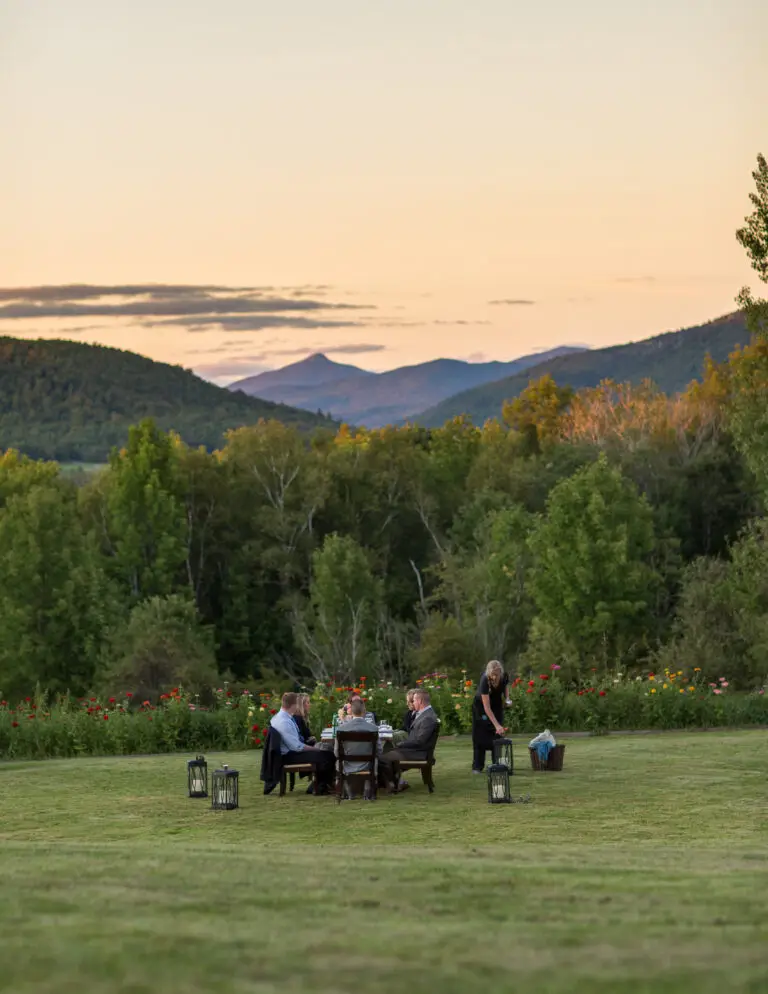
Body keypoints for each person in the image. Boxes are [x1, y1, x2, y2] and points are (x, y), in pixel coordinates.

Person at [269, 692, 335, 793]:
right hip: (288, 756)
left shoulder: (280, 717)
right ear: (293, 705)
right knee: (327, 755)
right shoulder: (284, 721)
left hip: (288, 752)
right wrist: (315, 749)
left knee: (325, 753)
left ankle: (320, 784)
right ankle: (318, 787)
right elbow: (297, 747)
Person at [378, 689, 438, 793]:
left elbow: (420, 741)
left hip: (417, 753)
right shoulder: (425, 714)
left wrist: (401, 744)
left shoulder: (428, 717)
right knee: (385, 755)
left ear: (420, 701)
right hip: (414, 751)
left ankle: (392, 784)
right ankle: (393, 783)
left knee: (382, 758)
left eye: (414, 700)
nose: (412, 703)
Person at [334, 697, 380, 798]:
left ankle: (348, 791)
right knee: (375, 759)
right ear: (364, 711)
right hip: (368, 765)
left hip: (347, 765)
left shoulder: (342, 728)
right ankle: (367, 789)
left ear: (351, 712)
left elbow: (336, 752)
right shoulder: (373, 728)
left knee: (338, 761)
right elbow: (378, 750)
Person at [471, 659, 511, 773]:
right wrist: (497, 725)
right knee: (480, 735)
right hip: (481, 708)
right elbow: (487, 708)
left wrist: (507, 699)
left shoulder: (504, 676)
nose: (495, 677)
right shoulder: (485, 680)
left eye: (497, 675)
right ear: (489, 673)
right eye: (493, 675)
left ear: (500, 673)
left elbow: (505, 688)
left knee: (497, 735)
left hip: (496, 704)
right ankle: (477, 766)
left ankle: (497, 764)